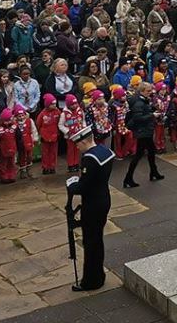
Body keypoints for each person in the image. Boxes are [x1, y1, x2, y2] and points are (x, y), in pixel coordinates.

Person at [66, 123, 115, 291]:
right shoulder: (104, 151)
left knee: (91, 242)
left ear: (84, 142)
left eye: (78, 144)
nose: (77, 148)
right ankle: (98, 275)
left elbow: (84, 186)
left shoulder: (89, 158)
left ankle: (91, 280)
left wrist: (72, 185)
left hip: (93, 204)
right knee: (97, 240)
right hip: (104, 199)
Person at [123, 82, 164, 188]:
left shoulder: (143, 100)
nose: (150, 93)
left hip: (146, 130)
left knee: (151, 151)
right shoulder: (138, 103)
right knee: (139, 155)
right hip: (142, 131)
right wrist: (152, 115)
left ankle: (153, 172)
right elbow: (138, 118)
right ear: (141, 91)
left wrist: (152, 110)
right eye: (148, 91)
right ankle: (128, 178)